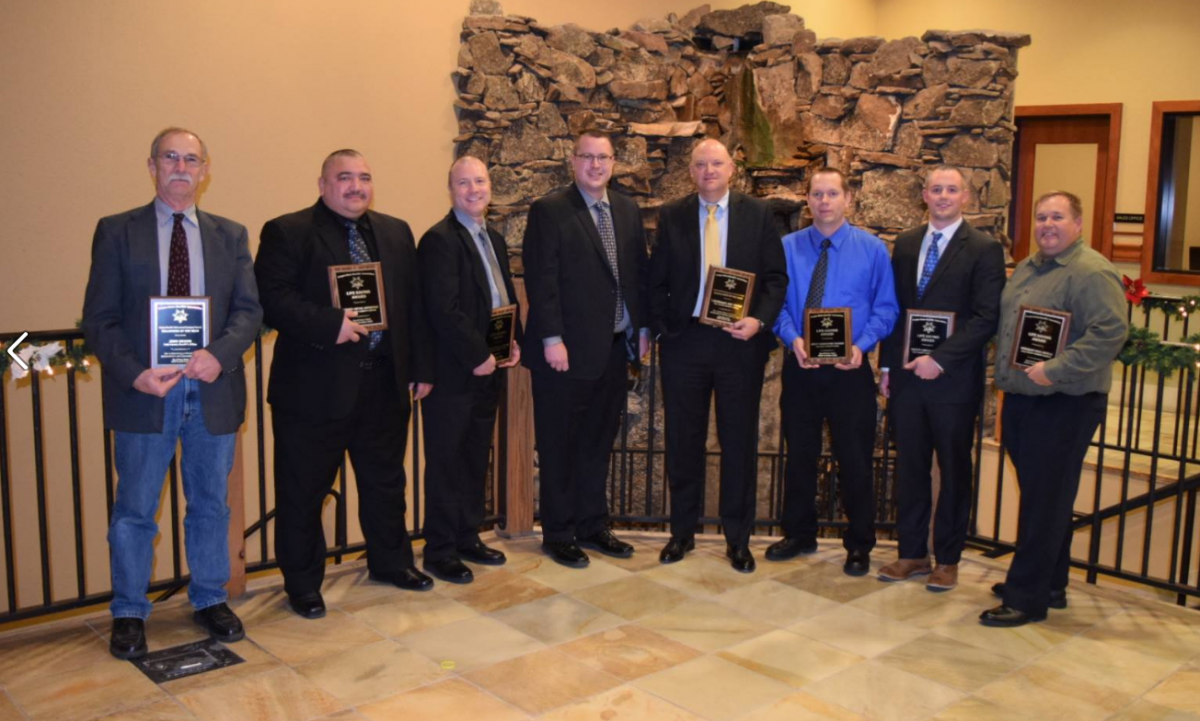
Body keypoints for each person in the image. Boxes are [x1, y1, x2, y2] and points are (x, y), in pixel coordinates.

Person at [82, 127, 261, 659]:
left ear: (205, 170)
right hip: (145, 394)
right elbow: (100, 318)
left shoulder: (231, 235)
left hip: (210, 390)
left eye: (191, 159)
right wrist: (135, 372)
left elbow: (249, 312)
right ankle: (130, 611)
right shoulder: (117, 232)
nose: (181, 167)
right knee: (135, 509)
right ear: (152, 166)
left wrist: (219, 355)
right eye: (170, 158)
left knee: (210, 505)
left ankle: (210, 598)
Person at [255, 149, 436, 619]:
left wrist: (421, 367)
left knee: (385, 483)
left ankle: (391, 562)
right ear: (322, 184)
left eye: (364, 178)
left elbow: (412, 305)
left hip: (384, 385)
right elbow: (271, 299)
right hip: (313, 391)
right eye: (344, 177)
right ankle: (303, 584)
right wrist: (328, 323)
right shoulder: (287, 232)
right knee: (303, 493)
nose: (355, 186)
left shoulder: (396, 232)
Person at [980, 191, 1128, 627]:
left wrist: (1057, 369)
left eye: (1058, 217)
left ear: (1078, 224)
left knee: (1044, 501)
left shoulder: (1092, 272)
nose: (1047, 224)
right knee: (1045, 496)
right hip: (1024, 400)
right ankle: (1051, 582)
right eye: (1041, 217)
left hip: (1066, 403)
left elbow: (1109, 333)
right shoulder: (1029, 266)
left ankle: (1027, 598)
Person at [649, 139, 788, 573]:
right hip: (685, 344)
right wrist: (664, 330)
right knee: (682, 441)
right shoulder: (672, 216)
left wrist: (758, 322)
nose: (708, 170)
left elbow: (776, 280)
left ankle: (738, 539)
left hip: (738, 344)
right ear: (690, 172)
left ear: (732, 170)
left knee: (739, 442)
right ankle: (681, 533)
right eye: (700, 164)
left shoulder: (759, 214)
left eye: (716, 163)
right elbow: (655, 281)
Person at [521, 130, 649, 568]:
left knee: (598, 442)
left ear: (614, 163)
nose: (596, 165)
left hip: (614, 350)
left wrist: (642, 328)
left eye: (604, 157)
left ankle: (593, 524)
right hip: (565, 354)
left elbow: (635, 275)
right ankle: (558, 533)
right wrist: (551, 340)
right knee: (559, 445)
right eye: (587, 157)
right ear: (572, 161)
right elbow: (543, 280)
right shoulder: (550, 211)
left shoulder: (628, 210)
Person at [877, 166, 1006, 592]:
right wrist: (889, 368)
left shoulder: (984, 249)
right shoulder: (908, 243)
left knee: (953, 469)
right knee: (910, 467)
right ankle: (912, 553)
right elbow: (896, 311)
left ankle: (947, 558)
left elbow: (987, 316)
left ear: (965, 197)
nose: (944, 196)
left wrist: (941, 359)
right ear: (925, 196)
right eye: (936, 189)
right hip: (909, 381)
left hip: (952, 381)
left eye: (952, 189)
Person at [768, 168, 898, 576]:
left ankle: (859, 542)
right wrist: (794, 340)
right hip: (802, 368)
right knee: (800, 457)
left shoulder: (873, 249)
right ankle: (799, 533)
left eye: (832, 194)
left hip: (850, 371)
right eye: (816, 194)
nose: (824, 201)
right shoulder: (786, 248)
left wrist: (861, 347)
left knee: (855, 459)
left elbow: (886, 308)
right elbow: (776, 305)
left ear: (848, 199)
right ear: (807, 200)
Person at [416, 156, 521, 584]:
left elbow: (501, 298)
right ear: (451, 190)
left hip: (489, 366)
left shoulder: (492, 238)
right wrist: (479, 353)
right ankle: (439, 550)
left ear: (490, 187)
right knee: (446, 461)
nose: (473, 189)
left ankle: (467, 535)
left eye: (480, 181)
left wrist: (513, 342)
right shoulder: (439, 240)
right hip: (454, 372)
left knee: (475, 456)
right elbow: (444, 310)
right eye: (464, 183)